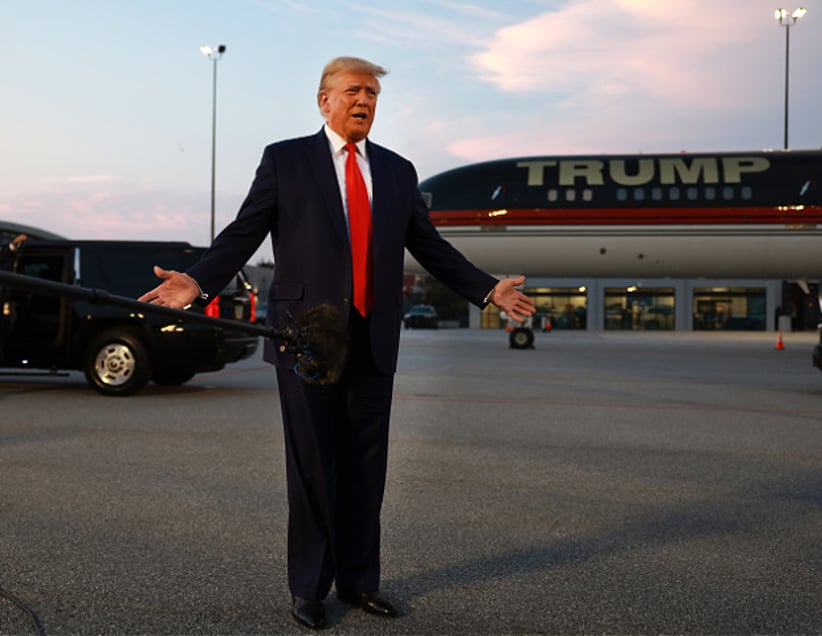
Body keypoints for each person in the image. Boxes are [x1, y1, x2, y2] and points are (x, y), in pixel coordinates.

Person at [139, 56, 535, 630]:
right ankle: (308, 587)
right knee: (312, 467)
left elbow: (431, 247)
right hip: (307, 338)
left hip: (374, 339)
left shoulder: (398, 172)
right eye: (353, 91)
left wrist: (486, 288)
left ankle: (359, 583)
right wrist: (198, 280)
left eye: (372, 94)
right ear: (323, 100)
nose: (364, 101)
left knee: (365, 469)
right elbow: (246, 229)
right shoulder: (286, 160)